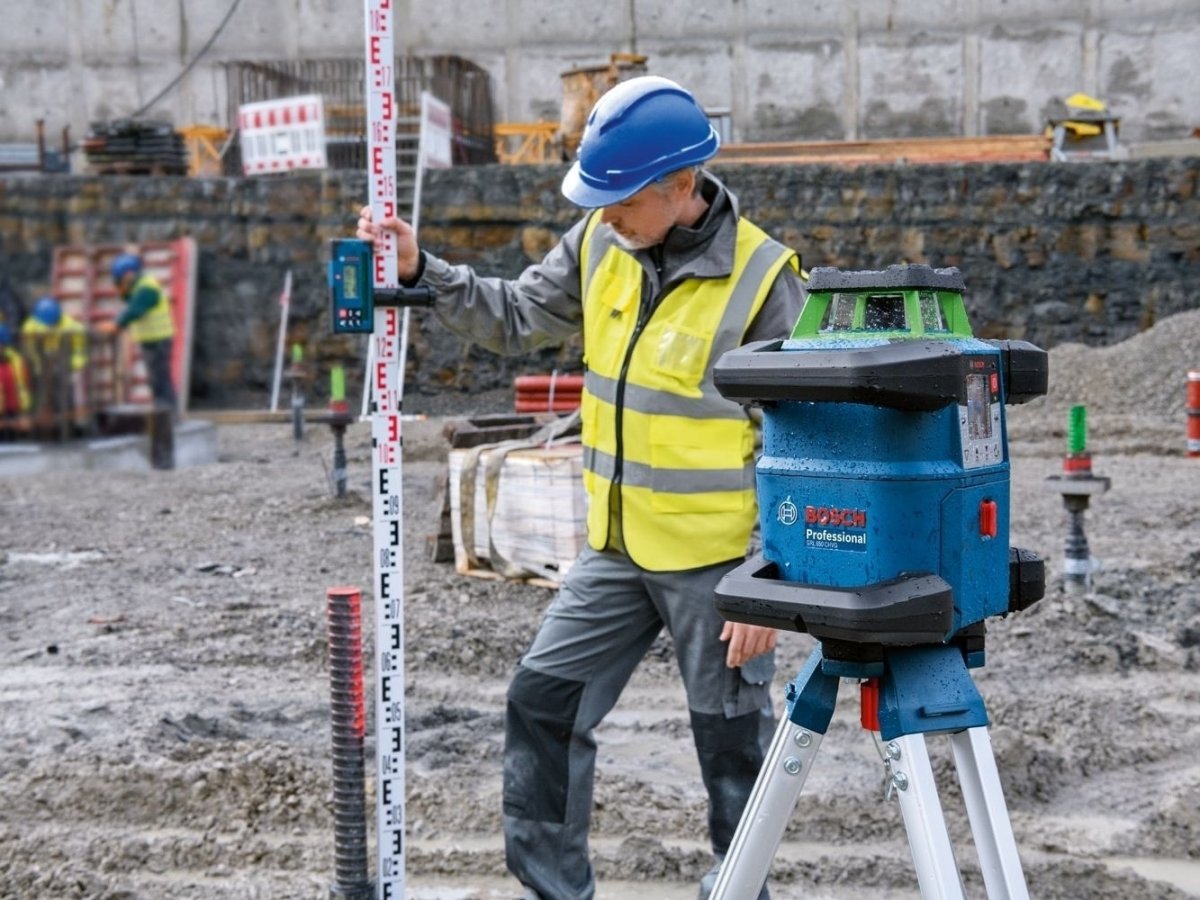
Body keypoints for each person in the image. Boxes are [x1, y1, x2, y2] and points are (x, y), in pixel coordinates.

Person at [358, 75, 805, 900]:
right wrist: (426, 269)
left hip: (719, 570)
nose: (604, 216)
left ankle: (740, 892)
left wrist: (767, 579)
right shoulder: (602, 242)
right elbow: (521, 314)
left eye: (620, 200)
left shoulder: (765, 279)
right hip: (616, 548)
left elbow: (801, 441)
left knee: (733, 754)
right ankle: (556, 892)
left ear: (680, 187)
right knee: (543, 702)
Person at [107, 253, 177, 412]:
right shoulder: (138, 286)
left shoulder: (147, 287)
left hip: (158, 340)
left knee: (160, 379)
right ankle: (164, 412)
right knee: (156, 379)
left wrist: (117, 324)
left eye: (121, 278)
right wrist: (123, 292)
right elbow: (130, 301)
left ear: (128, 273)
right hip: (151, 339)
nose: (121, 282)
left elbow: (135, 309)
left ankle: (168, 414)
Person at [20, 296, 87, 424]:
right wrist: (39, 367)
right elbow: (30, 351)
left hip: (63, 362)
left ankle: (67, 425)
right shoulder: (30, 327)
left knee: (64, 396)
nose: (49, 327)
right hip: (42, 362)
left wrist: (71, 366)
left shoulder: (72, 327)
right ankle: (43, 426)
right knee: (41, 396)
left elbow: (80, 351)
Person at [0, 322, 32, 433]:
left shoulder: (15, 360)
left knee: (24, 426)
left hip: (13, 410)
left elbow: (23, 385)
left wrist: (23, 412)